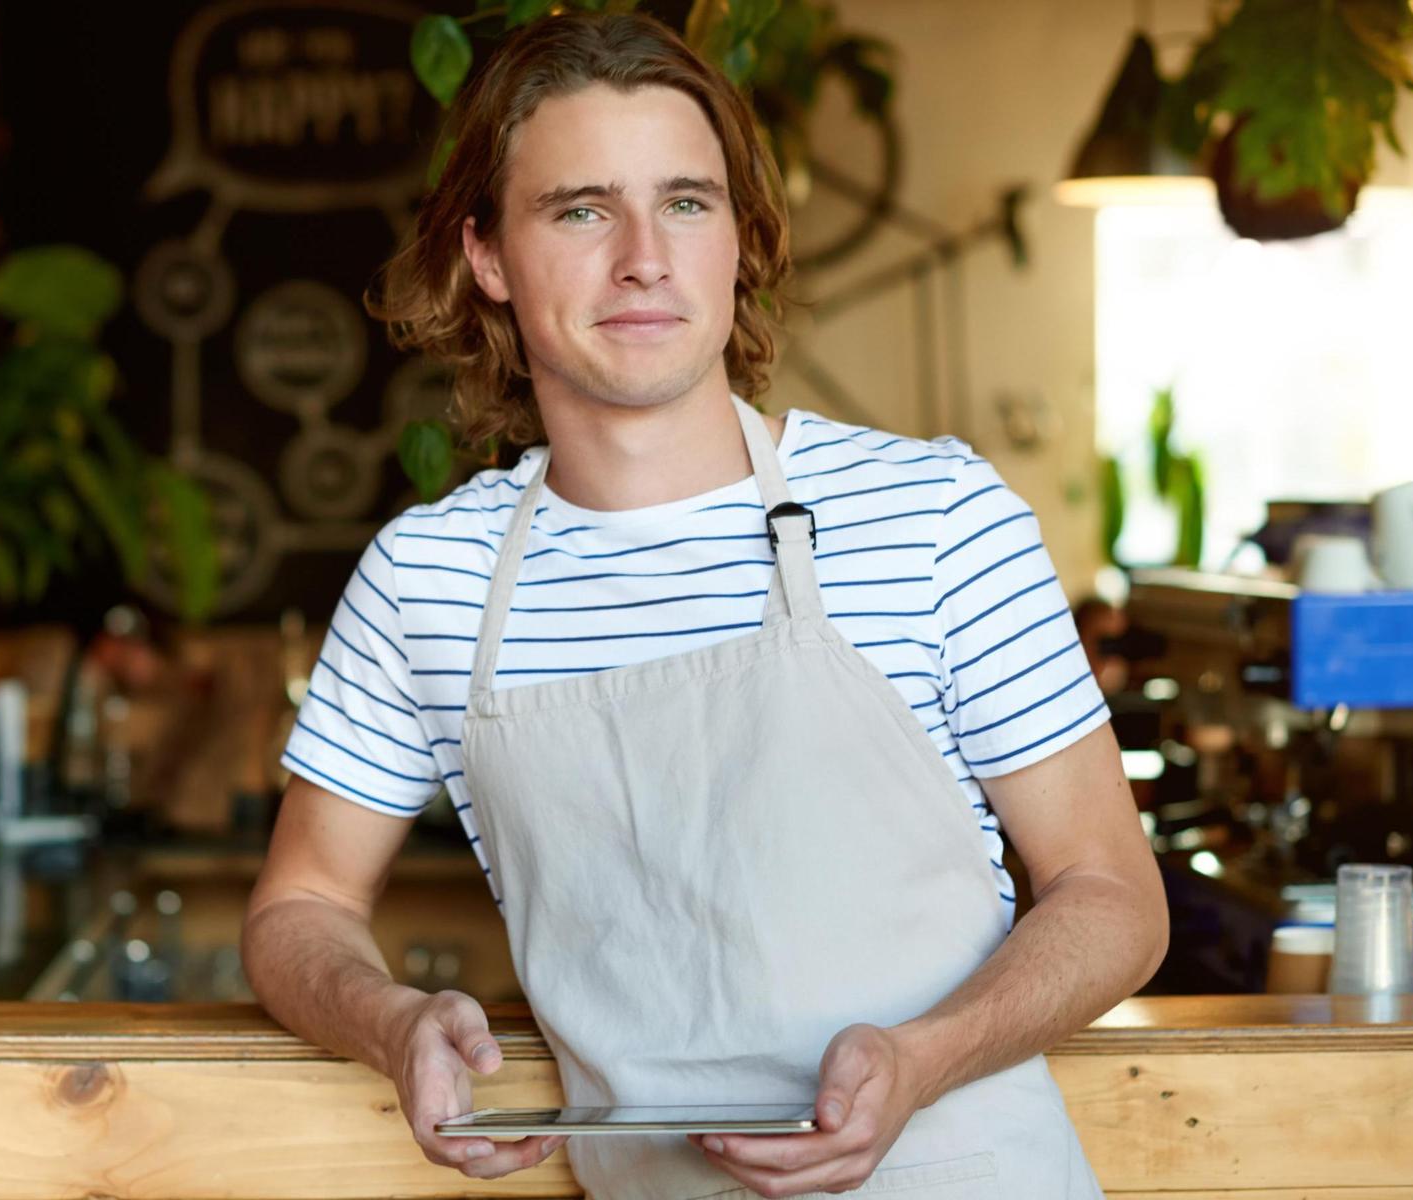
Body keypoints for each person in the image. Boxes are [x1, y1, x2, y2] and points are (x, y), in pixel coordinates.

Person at [241, 13, 1166, 1198]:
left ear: (739, 239)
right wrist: (389, 1021)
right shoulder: (431, 580)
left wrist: (921, 1060)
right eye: (579, 209)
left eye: (685, 202)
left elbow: (1111, 894)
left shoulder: (932, 515)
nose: (642, 257)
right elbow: (300, 905)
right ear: (484, 259)